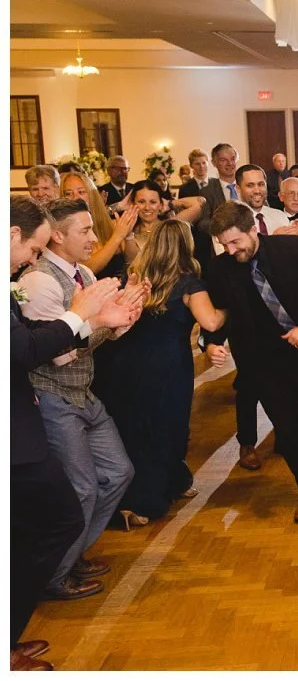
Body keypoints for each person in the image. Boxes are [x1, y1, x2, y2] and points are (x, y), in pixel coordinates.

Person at [9, 197, 139, 671]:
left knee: (116, 474)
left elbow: (76, 342)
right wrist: (91, 319)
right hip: (51, 401)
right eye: (85, 229)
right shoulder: (39, 282)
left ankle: (68, 559)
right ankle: (55, 576)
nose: (95, 238)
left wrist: (115, 318)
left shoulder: (79, 277)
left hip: (81, 395)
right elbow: (50, 352)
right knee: (74, 496)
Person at [204, 202, 298, 524]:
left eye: (236, 241)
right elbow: (221, 313)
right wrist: (211, 343)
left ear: (253, 229)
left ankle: (294, 434)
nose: (231, 249)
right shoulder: (221, 268)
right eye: (225, 244)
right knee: (285, 426)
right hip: (260, 358)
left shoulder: (290, 249)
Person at [94, 221, 226, 523]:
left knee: (136, 427)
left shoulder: (136, 278)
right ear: (185, 244)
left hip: (127, 364)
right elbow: (211, 323)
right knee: (166, 427)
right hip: (167, 367)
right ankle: (146, 501)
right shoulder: (188, 283)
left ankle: (173, 482)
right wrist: (229, 309)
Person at [59, 171, 136, 280]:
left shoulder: (111, 224)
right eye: (68, 193)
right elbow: (86, 270)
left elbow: (133, 261)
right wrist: (117, 237)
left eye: (81, 192)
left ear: (92, 195)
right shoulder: (63, 234)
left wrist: (128, 236)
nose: (76, 197)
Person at [122, 182, 205, 263]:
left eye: (153, 202)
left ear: (161, 204)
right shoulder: (125, 228)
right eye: (141, 202)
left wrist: (170, 203)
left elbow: (199, 203)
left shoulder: (170, 225)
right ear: (133, 204)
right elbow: (131, 261)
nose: (147, 208)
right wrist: (119, 206)